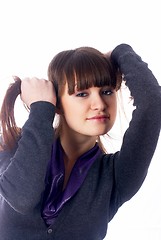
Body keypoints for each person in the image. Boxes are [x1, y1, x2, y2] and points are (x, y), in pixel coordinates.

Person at [0, 44, 160, 240]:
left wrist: (121, 52)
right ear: (57, 103)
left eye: (107, 91)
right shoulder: (13, 146)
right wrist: (41, 108)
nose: (100, 104)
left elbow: (153, 104)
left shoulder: (116, 176)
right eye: (82, 94)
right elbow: (21, 197)